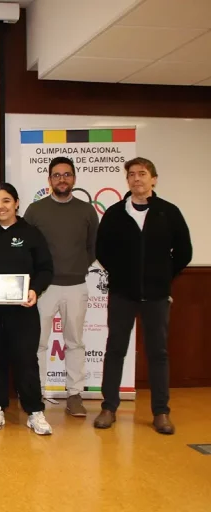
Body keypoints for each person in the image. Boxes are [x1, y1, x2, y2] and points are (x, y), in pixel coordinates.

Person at [93, 157, 192, 435]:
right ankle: (108, 407)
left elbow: (184, 252)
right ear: (127, 181)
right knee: (115, 350)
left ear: (154, 179)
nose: (137, 179)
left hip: (157, 296)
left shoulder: (168, 213)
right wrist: (123, 273)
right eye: (132, 175)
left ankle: (161, 412)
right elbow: (102, 250)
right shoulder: (114, 213)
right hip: (123, 294)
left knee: (158, 353)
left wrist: (162, 276)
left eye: (142, 174)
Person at [0, 183, 54, 435]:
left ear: (16, 203)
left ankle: (35, 411)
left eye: (6, 201)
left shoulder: (31, 234)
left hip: (22, 309)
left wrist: (34, 289)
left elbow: (46, 268)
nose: (1, 206)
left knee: (25, 359)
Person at [24, 157, 99, 417]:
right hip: (44, 288)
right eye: (56, 175)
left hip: (76, 285)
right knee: (39, 343)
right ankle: (39, 394)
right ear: (49, 180)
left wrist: (78, 266)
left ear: (74, 179)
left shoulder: (86, 210)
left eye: (67, 175)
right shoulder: (35, 210)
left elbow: (93, 247)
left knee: (75, 342)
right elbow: (27, 247)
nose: (62, 179)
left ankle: (75, 395)